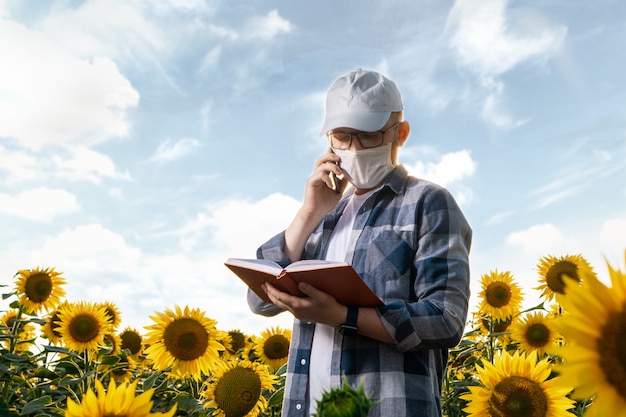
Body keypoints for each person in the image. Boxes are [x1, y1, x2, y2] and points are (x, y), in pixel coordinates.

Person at [247, 68, 472, 417]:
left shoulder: (427, 202)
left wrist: (342, 316)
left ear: (400, 134)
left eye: (367, 136)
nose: (352, 148)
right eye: (342, 136)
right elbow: (259, 300)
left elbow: (445, 319)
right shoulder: (324, 215)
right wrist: (309, 212)